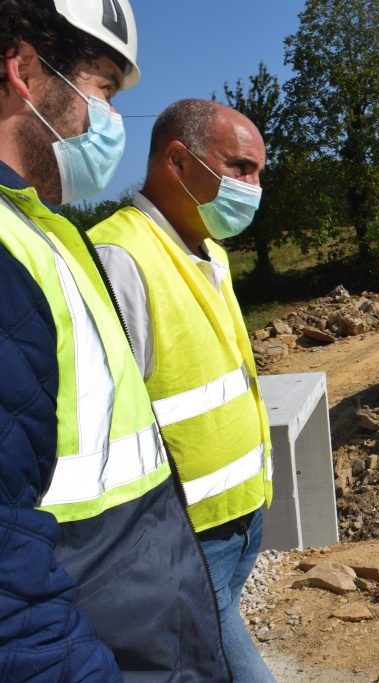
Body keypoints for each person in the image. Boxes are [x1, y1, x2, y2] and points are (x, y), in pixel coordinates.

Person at [0, 2, 230, 680]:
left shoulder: (43, 230)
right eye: (101, 87)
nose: (108, 121)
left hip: (144, 615)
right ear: (24, 70)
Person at [89, 98, 276, 681]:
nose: (253, 186)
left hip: (243, 518)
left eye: (259, 174)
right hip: (185, 538)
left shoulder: (212, 252)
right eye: (242, 167)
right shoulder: (119, 257)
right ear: (178, 161)